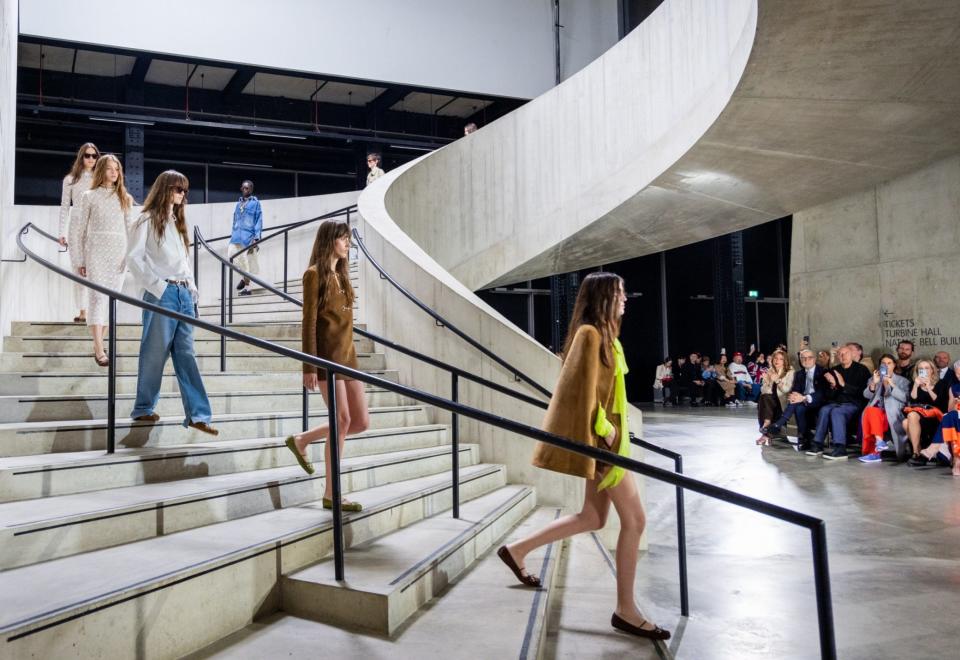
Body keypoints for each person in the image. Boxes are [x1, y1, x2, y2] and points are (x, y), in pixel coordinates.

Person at [497, 272, 669, 641]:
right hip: (606, 447)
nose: (625, 298)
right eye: (620, 292)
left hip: (613, 445)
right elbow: (578, 392)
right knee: (635, 521)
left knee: (592, 516)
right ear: (604, 296)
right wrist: (607, 432)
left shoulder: (608, 337)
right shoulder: (590, 335)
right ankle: (626, 609)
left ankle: (517, 549)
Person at [285, 220, 370, 512]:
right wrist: (309, 366)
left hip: (348, 358)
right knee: (342, 421)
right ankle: (331, 493)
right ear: (329, 241)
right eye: (342, 239)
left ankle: (302, 439)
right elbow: (308, 322)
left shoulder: (343, 277)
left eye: (348, 239)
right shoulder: (313, 276)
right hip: (325, 360)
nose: (347, 244)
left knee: (360, 422)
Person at [127, 170, 218, 436]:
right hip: (162, 293)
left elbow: (183, 263)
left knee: (187, 354)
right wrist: (159, 286)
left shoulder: (177, 222)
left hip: (183, 295)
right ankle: (143, 408)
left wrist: (192, 289)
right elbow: (134, 257)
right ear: (165, 188)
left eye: (184, 191)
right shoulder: (145, 219)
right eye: (178, 189)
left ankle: (198, 414)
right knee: (154, 353)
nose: (181, 195)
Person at [74, 154, 136, 366]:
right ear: (101, 170)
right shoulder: (88, 196)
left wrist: (130, 257)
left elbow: (130, 230)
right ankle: (99, 348)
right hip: (96, 252)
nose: (114, 172)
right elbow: (81, 230)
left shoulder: (125, 198)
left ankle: (100, 343)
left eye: (116, 169)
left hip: (118, 254)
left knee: (111, 301)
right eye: (109, 168)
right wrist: (81, 260)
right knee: (97, 300)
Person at [60, 142, 99, 323]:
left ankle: (94, 311)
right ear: (81, 157)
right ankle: (82, 311)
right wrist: (62, 232)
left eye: (94, 155)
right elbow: (64, 207)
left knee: (94, 269)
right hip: (75, 227)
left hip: (95, 228)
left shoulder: (100, 180)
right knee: (78, 270)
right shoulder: (70, 180)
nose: (91, 159)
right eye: (87, 155)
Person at [808, 345, 871, 459]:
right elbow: (828, 395)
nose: (843, 356)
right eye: (840, 354)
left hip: (854, 403)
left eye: (845, 353)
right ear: (837, 357)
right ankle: (818, 443)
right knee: (824, 410)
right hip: (836, 402)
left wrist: (843, 384)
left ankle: (840, 447)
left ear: (851, 355)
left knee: (837, 412)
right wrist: (833, 385)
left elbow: (863, 393)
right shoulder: (834, 370)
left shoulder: (862, 370)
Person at [762, 349, 829, 450]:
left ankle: (779, 424)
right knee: (797, 407)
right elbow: (795, 390)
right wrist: (795, 396)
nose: (806, 360)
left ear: (814, 359)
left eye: (809, 358)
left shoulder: (822, 372)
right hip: (801, 401)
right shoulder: (799, 374)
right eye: (803, 358)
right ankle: (805, 437)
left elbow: (822, 393)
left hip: (817, 401)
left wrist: (803, 397)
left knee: (795, 403)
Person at [858, 354, 909, 463]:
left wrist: (891, 385)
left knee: (870, 413)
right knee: (870, 411)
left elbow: (904, 398)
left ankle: (874, 453)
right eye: (883, 363)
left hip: (892, 412)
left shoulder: (902, 381)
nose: (886, 365)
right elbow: (866, 395)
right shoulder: (874, 378)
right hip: (877, 412)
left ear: (894, 365)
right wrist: (873, 384)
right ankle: (879, 441)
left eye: (889, 363)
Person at [911, 360, 960, 475]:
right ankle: (956, 460)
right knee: (950, 415)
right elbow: (950, 409)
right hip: (956, 417)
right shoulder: (954, 388)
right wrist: (956, 403)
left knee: (949, 417)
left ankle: (934, 449)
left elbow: (938, 402)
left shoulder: (940, 383)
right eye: (958, 374)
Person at [902, 359, 944, 463]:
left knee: (907, 420)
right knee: (906, 421)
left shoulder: (941, 383)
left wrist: (929, 388)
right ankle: (917, 452)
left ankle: (917, 452)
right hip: (919, 416)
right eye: (921, 369)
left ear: (932, 370)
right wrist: (916, 386)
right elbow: (913, 400)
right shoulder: (914, 383)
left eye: (926, 368)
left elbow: (940, 402)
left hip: (935, 416)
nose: (923, 370)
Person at [229, 180, 263, 296]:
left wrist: (256, 238)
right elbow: (235, 220)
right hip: (236, 237)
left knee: (246, 261)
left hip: (248, 237)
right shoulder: (238, 204)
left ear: (251, 190)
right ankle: (244, 279)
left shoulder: (256, 203)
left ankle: (247, 288)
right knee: (232, 256)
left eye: (247, 188)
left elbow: (259, 220)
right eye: (243, 188)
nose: (245, 190)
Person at [756, 350, 794, 444]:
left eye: (781, 359)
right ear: (772, 360)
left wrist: (777, 380)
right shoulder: (770, 370)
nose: (777, 361)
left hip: (782, 401)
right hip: (770, 401)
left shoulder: (790, 371)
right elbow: (763, 391)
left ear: (785, 361)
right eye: (776, 358)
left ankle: (765, 432)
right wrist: (768, 382)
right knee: (764, 398)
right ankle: (767, 424)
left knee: (764, 399)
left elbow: (786, 389)